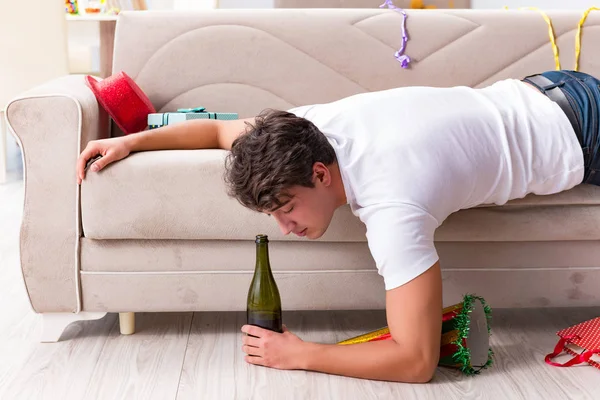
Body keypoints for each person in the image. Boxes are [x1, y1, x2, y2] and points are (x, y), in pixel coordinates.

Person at [76, 70, 600, 383]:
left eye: (288, 208)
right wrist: (133, 142)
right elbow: (218, 130)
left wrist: (301, 354)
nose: (285, 227)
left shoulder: (394, 203)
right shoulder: (306, 131)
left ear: (320, 174)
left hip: (583, 131)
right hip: (545, 90)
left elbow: (416, 361)